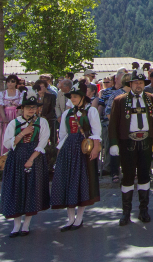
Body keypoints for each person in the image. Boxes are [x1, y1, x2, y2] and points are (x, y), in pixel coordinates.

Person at [108, 68, 153, 225]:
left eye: (141, 83)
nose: (138, 85)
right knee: (127, 176)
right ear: (130, 84)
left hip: (146, 141)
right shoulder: (119, 101)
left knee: (144, 176)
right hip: (127, 142)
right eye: (135, 83)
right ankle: (126, 213)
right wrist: (113, 144)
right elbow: (112, 124)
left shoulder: (152, 99)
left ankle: (143, 211)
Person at [50, 80, 101, 231]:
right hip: (68, 150)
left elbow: (96, 132)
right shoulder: (66, 113)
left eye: (75, 96)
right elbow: (64, 134)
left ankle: (79, 218)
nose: (72, 99)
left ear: (82, 97)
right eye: (71, 96)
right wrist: (60, 152)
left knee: (82, 182)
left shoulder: (91, 111)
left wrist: (95, 149)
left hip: (84, 149)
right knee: (68, 182)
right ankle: (70, 218)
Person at [0, 92, 50, 237]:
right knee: (16, 190)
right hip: (16, 158)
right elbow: (8, 143)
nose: (31, 110)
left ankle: (26, 225)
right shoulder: (14, 123)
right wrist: (23, 133)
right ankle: (16, 226)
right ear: (22, 108)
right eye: (28, 107)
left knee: (30, 190)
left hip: (34, 157)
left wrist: (31, 160)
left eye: (33, 108)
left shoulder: (42, 122)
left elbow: (42, 143)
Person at [97, 72, 124, 182]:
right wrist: (98, 118)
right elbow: (101, 105)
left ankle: (119, 169)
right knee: (108, 145)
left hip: (122, 124)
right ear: (116, 79)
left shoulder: (126, 92)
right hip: (107, 122)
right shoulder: (107, 91)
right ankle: (108, 168)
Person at [0, 76, 24, 163]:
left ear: (16, 83)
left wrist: (17, 119)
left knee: (16, 135)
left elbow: (20, 107)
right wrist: (4, 118)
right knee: (3, 136)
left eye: (12, 81)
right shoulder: (2, 94)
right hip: (5, 116)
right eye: (8, 81)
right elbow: (0, 106)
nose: (10, 83)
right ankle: (1, 160)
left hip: (16, 116)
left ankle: (16, 159)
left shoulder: (20, 93)